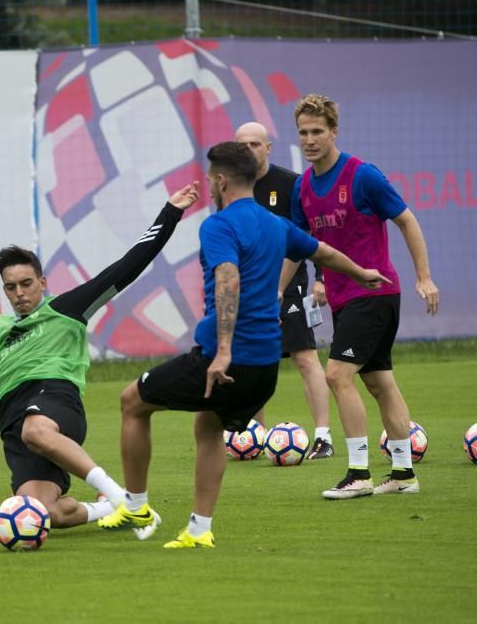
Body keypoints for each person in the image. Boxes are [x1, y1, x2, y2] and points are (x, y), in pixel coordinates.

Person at [99, 142, 390, 548]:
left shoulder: (217, 225)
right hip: (266, 365)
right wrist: (361, 273)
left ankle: (135, 504)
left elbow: (228, 279)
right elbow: (321, 251)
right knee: (208, 426)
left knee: (132, 401)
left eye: (210, 179)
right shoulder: (275, 224)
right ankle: (199, 530)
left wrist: (221, 351)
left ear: (219, 181)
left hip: (224, 360)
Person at [0, 182, 202, 534]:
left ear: (42, 283)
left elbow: (127, 267)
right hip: (17, 431)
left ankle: (127, 502)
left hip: (55, 405)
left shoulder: (66, 309)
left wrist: (170, 212)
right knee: (46, 514)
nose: (19, 293)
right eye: (11, 287)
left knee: (36, 429)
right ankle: (106, 508)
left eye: (26, 283)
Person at [291, 94, 439, 499]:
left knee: (337, 375)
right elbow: (297, 245)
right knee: (380, 383)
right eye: (303, 132)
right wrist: (273, 295)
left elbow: (407, 221)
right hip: (345, 299)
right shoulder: (302, 186)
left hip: (374, 292)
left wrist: (423, 277)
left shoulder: (362, 175)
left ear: (334, 131)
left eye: (318, 131)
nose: (310, 140)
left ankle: (358, 473)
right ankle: (404, 473)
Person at [235, 122, 333, 459]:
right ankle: (255, 438)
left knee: (305, 357)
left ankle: (323, 437)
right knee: (253, 363)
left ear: (268, 147)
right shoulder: (232, 186)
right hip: (249, 290)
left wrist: (320, 276)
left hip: (290, 286)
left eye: (255, 144)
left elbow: (313, 233)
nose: (249, 150)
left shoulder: (291, 183)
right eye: (242, 145)